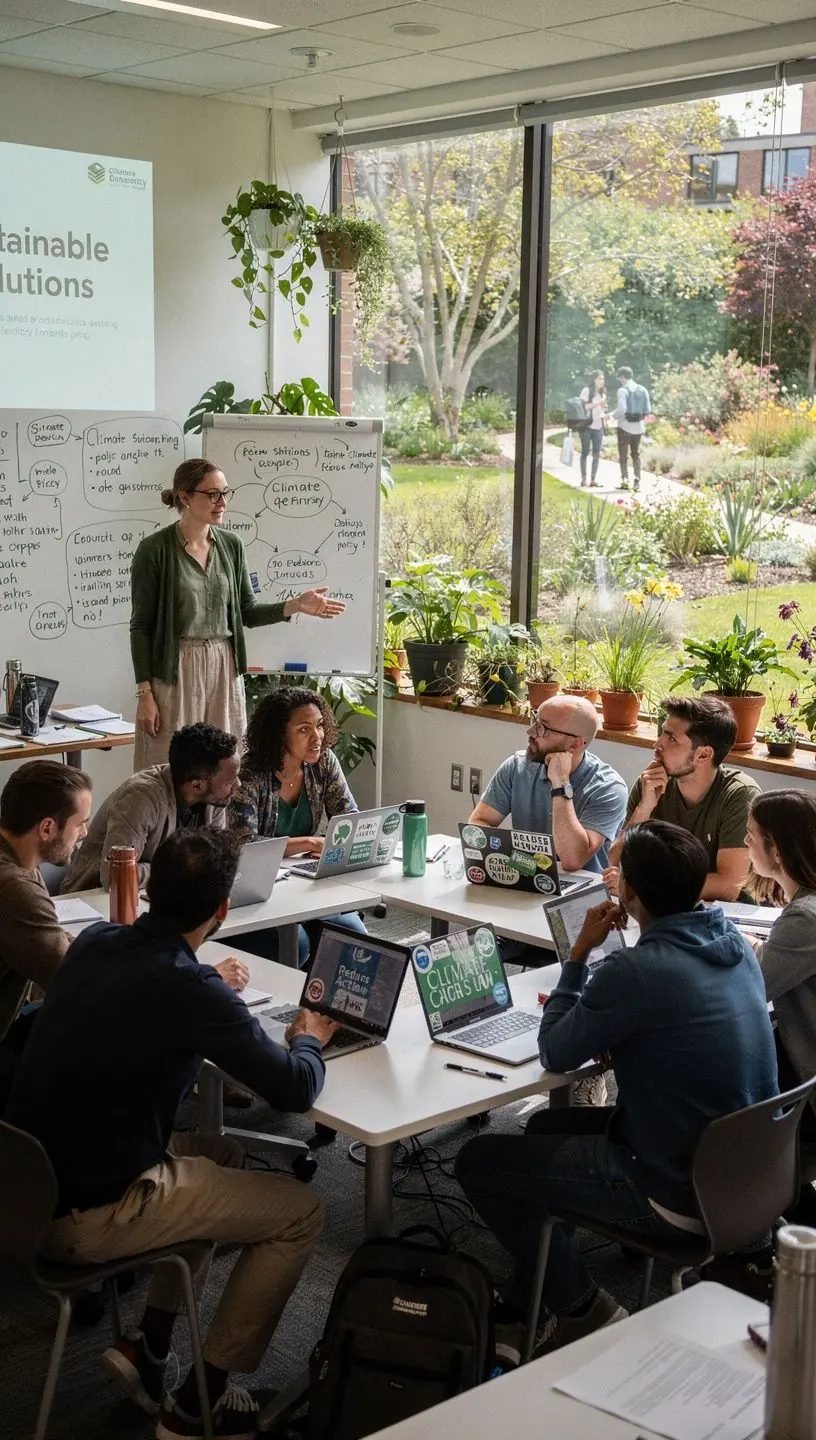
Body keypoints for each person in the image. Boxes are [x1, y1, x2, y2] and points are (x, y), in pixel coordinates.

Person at [7, 827, 336, 1438]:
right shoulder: (192, 989)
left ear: (151, 889)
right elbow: (293, 1091)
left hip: (27, 1190)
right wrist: (310, 1040)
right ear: (221, 909)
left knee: (225, 1155)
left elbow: (152, 996)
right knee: (302, 1215)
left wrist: (212, 988)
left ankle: (149, 1348)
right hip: (92, 1212)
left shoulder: (97, 941)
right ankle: (197, 1404)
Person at [455, 821, 778, 1366]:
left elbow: (556, 1052)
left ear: (628, 891)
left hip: (673, 1189)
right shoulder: (735, 944)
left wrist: (579, 954)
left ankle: (582, 1307)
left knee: (477, 1160)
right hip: (744, 1180)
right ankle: (526, 1295)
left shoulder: (634, 971)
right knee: (539, 1128)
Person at [130, 459, 346, 769]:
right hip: (176, 667)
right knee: (170, 764)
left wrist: (295, 604)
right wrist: (145, 693)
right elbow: (140, 627)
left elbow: (248, 612)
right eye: (213, 494)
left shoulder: (232, 545)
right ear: (185, 497)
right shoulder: (154, 550)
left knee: (224, 767)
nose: (223, 503)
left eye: (224, 493)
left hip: (223, 664)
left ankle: (217, 822)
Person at [229, 686, 367, 966]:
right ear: (279, 734)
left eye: (319, 726)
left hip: (306, 881)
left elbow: (349, 819)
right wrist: (308, 843)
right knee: (297, 945)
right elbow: (244, 845)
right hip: (260, 888)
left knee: (354, 937)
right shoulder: (249, 774)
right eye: (304, 729)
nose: (317, 737)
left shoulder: (323, 762)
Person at [0, 760, 92, 1108]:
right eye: (80, 823)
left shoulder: (20, 863)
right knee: (107, 1017)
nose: (84, 833)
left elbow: (54, 940)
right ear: (48, 828)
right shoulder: (13, 887)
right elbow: (70, 976)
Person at [606, 696, 759, 902]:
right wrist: (644, 809)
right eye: (662, 733)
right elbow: (615, 861)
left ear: (703, 755)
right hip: (662, 907)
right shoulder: (651, 782)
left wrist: (646, 885)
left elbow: (727, 886)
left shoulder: (739, 794)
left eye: (671, 738)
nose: (657, 743)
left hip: (722, 916)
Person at [61, 723, 241, 893]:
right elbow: (115, 876)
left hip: (164, 896)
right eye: (231, 781)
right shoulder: (140, 798)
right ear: (196, 785)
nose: (238, 784)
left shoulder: (216, 797)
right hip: (97, 900)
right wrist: (182, 869)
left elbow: (212, 862)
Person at [470, 694, 627, 875]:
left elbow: (572, 860)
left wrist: (560, 783)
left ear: (574, 744)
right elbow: (479, 823)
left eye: (543, 728)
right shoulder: (517, 767)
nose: (530, 732)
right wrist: (525, 865)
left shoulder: (609, 789)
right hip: (527, 879)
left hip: (582, 894)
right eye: (534, 720)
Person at [745, 790, 816, 1165]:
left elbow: (750, 987)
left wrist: (740, 946)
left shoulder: (805, 919)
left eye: (752, 835)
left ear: (779, 850)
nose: (745, 841)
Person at [612, 365, 650, 491]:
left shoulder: (622, 391)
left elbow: (622, 409)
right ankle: (637, 483)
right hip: (638, 427)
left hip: (624, 427)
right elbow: (648, 409)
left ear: (623, 378)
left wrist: (613, 416)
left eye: (619, 378)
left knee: (623, 456)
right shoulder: (642, 389)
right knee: (636, 454)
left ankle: (625, 481)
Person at [578, 371, 606, 488]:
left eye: (603, 379)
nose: (602, 381)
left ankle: (593, 480)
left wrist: (605, 411)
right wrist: (599, 403)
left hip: (598, 426)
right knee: (585, 452)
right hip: (586, 426)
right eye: (599, 379)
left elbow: (602, 408)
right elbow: (584, 406)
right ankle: (584, 479)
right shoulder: (586, 391)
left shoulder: (603, 392)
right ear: (594, 379)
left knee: (596, 453)